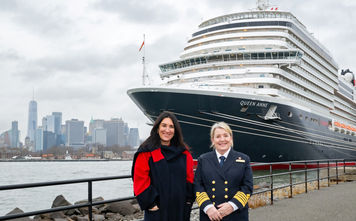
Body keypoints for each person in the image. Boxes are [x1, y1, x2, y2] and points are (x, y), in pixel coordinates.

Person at [131, 111, 194, 221]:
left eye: (171, 127)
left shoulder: (184, 153)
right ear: (157, 128)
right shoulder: (147, 152)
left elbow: (190, 178)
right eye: (164, 125)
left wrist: (188, 201)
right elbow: (140, 180)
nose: (167, 130)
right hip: (157, 210)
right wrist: (151, 204)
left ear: (175, 130)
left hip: (180, 208)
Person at [194, 122, 253, 221]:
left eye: (226, 135)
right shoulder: (203, 159)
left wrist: (232, 205)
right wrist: (208, 207)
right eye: (218, 136)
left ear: (231, 138)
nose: (222, 139)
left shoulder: (244, 159)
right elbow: (197, 185)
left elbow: (247, 187)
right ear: (213, 140)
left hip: (236, 215)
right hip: (210, 215)